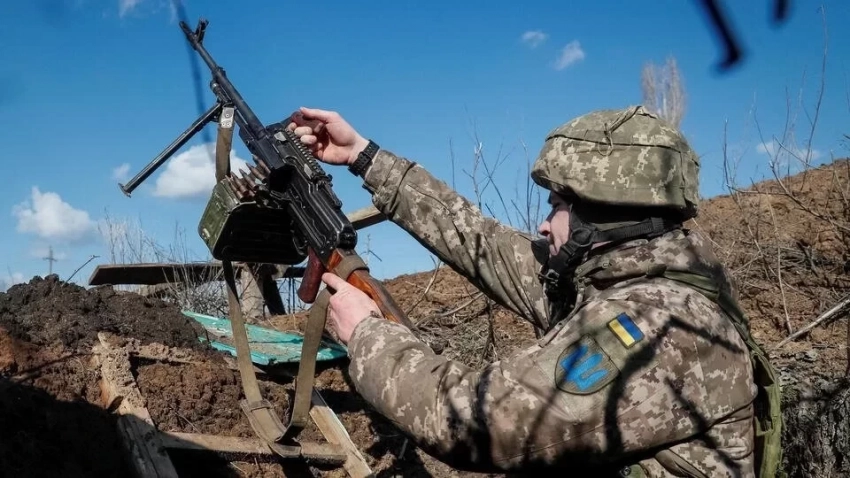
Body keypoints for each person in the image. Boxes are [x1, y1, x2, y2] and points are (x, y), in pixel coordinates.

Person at [286, 105, 782, 477]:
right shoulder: (609, 277)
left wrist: (367, 334)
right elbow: (478, 241)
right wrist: (364, 155)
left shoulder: (662, 325)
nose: (544, 226)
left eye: (557, 206)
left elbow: (478, 424)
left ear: (603, 214)